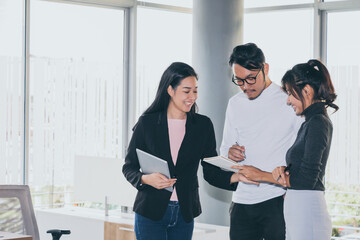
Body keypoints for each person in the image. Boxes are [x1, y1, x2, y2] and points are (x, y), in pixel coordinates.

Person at [201, 43, 302, 240]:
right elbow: (224, 151)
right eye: (239, 80)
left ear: (265, 69)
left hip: (276, 200)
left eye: (250, 78)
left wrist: (292, 192)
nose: (246, 86)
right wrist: (231, 153)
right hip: (241, 202)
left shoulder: (288, 101)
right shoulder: (235, 104)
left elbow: (301, 152)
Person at [122, 62, 217, 240]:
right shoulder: (147, 124)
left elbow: (211, 167)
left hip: (184, 212)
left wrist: (235, 174)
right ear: (170, 90)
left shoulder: (203, 125)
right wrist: (145, 179)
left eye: (195, 91)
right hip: (150, 212)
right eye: (186, 91)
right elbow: (129, 167)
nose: (192, 96)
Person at [271, 59, 338, 240]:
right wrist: (284, 171)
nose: (288, 101)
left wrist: (264, 176)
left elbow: (308, 179)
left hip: (307, 211)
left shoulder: (317, 123)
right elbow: (302, 170)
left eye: (291, 94)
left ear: (307, 90)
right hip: (300, 211)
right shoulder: (310, 122)